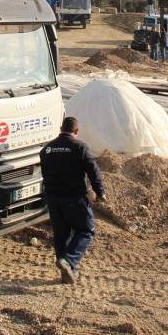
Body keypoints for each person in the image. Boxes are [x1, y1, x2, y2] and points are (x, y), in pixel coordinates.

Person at [39, 116, 106, 284]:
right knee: (86, 230)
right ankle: (68, 261)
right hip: (74, 198)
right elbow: (93, 171)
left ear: (61, 128)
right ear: (76, 131)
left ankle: (67, 272)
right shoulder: (80, 147)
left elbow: (44, 173)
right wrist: (100, 192)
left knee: (61, 234)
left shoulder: (47, 149)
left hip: (53, 199)